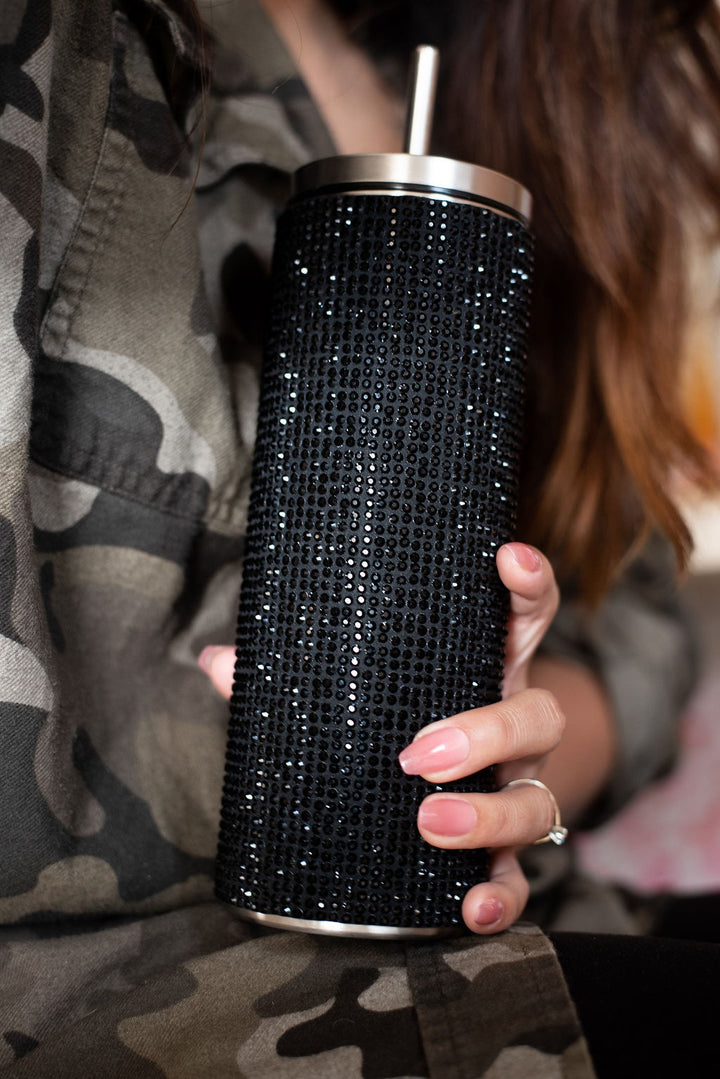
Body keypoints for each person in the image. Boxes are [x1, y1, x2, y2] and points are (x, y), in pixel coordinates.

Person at [0, 0, 719, 1075]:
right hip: (138, 1004)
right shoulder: (67, 44)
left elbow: (641, 615)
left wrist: (503, 779)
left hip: (502, 927)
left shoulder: (534, 98)